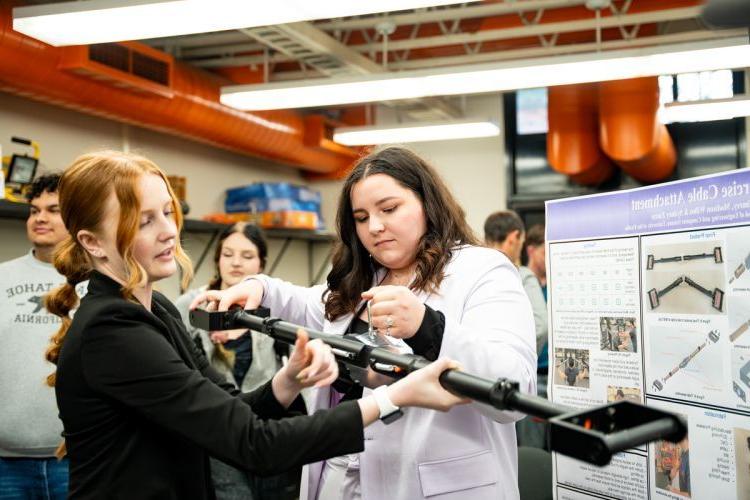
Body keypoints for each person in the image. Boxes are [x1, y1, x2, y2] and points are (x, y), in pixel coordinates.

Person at [45, 150, 466, 500]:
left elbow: (231, 410)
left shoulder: (157, 311)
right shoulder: (113, 330)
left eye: (167, 213)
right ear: (92, 243)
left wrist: (287, 381)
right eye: (143, 221)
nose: (169, 232)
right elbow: (253, 443)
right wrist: (394, 398)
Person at [192, 146, 537, 500]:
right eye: (360, 217)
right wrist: (258, 285)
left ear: (427, 204)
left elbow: (515, 391)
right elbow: (308, 301)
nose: (374, 227)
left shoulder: (480, 270)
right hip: (343, 478)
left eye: (389, 209)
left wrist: (427, 327)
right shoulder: (362, 280)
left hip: (439, 485)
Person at [175, 223, 300, 500]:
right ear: (217, 259)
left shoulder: (276, 309)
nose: (236, 263)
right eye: (228, 254)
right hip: (217, 434)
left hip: (270, 430)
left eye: (247, 256)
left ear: (262, 263)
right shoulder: (191, 306)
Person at [0, 174, 84, 499]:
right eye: (34, 210)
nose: (40, 218)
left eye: (52, 210)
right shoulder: (2, 277)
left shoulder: (95, 280)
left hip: (77, 459)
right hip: (6, 464)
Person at [484, 211, 548, 450]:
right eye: (520, 243)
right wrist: (523, 361)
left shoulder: (475, 271)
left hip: (483, 379)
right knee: (529, 450)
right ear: (514, 238)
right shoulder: (520, 275)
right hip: (521, 380)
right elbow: (540, 327)